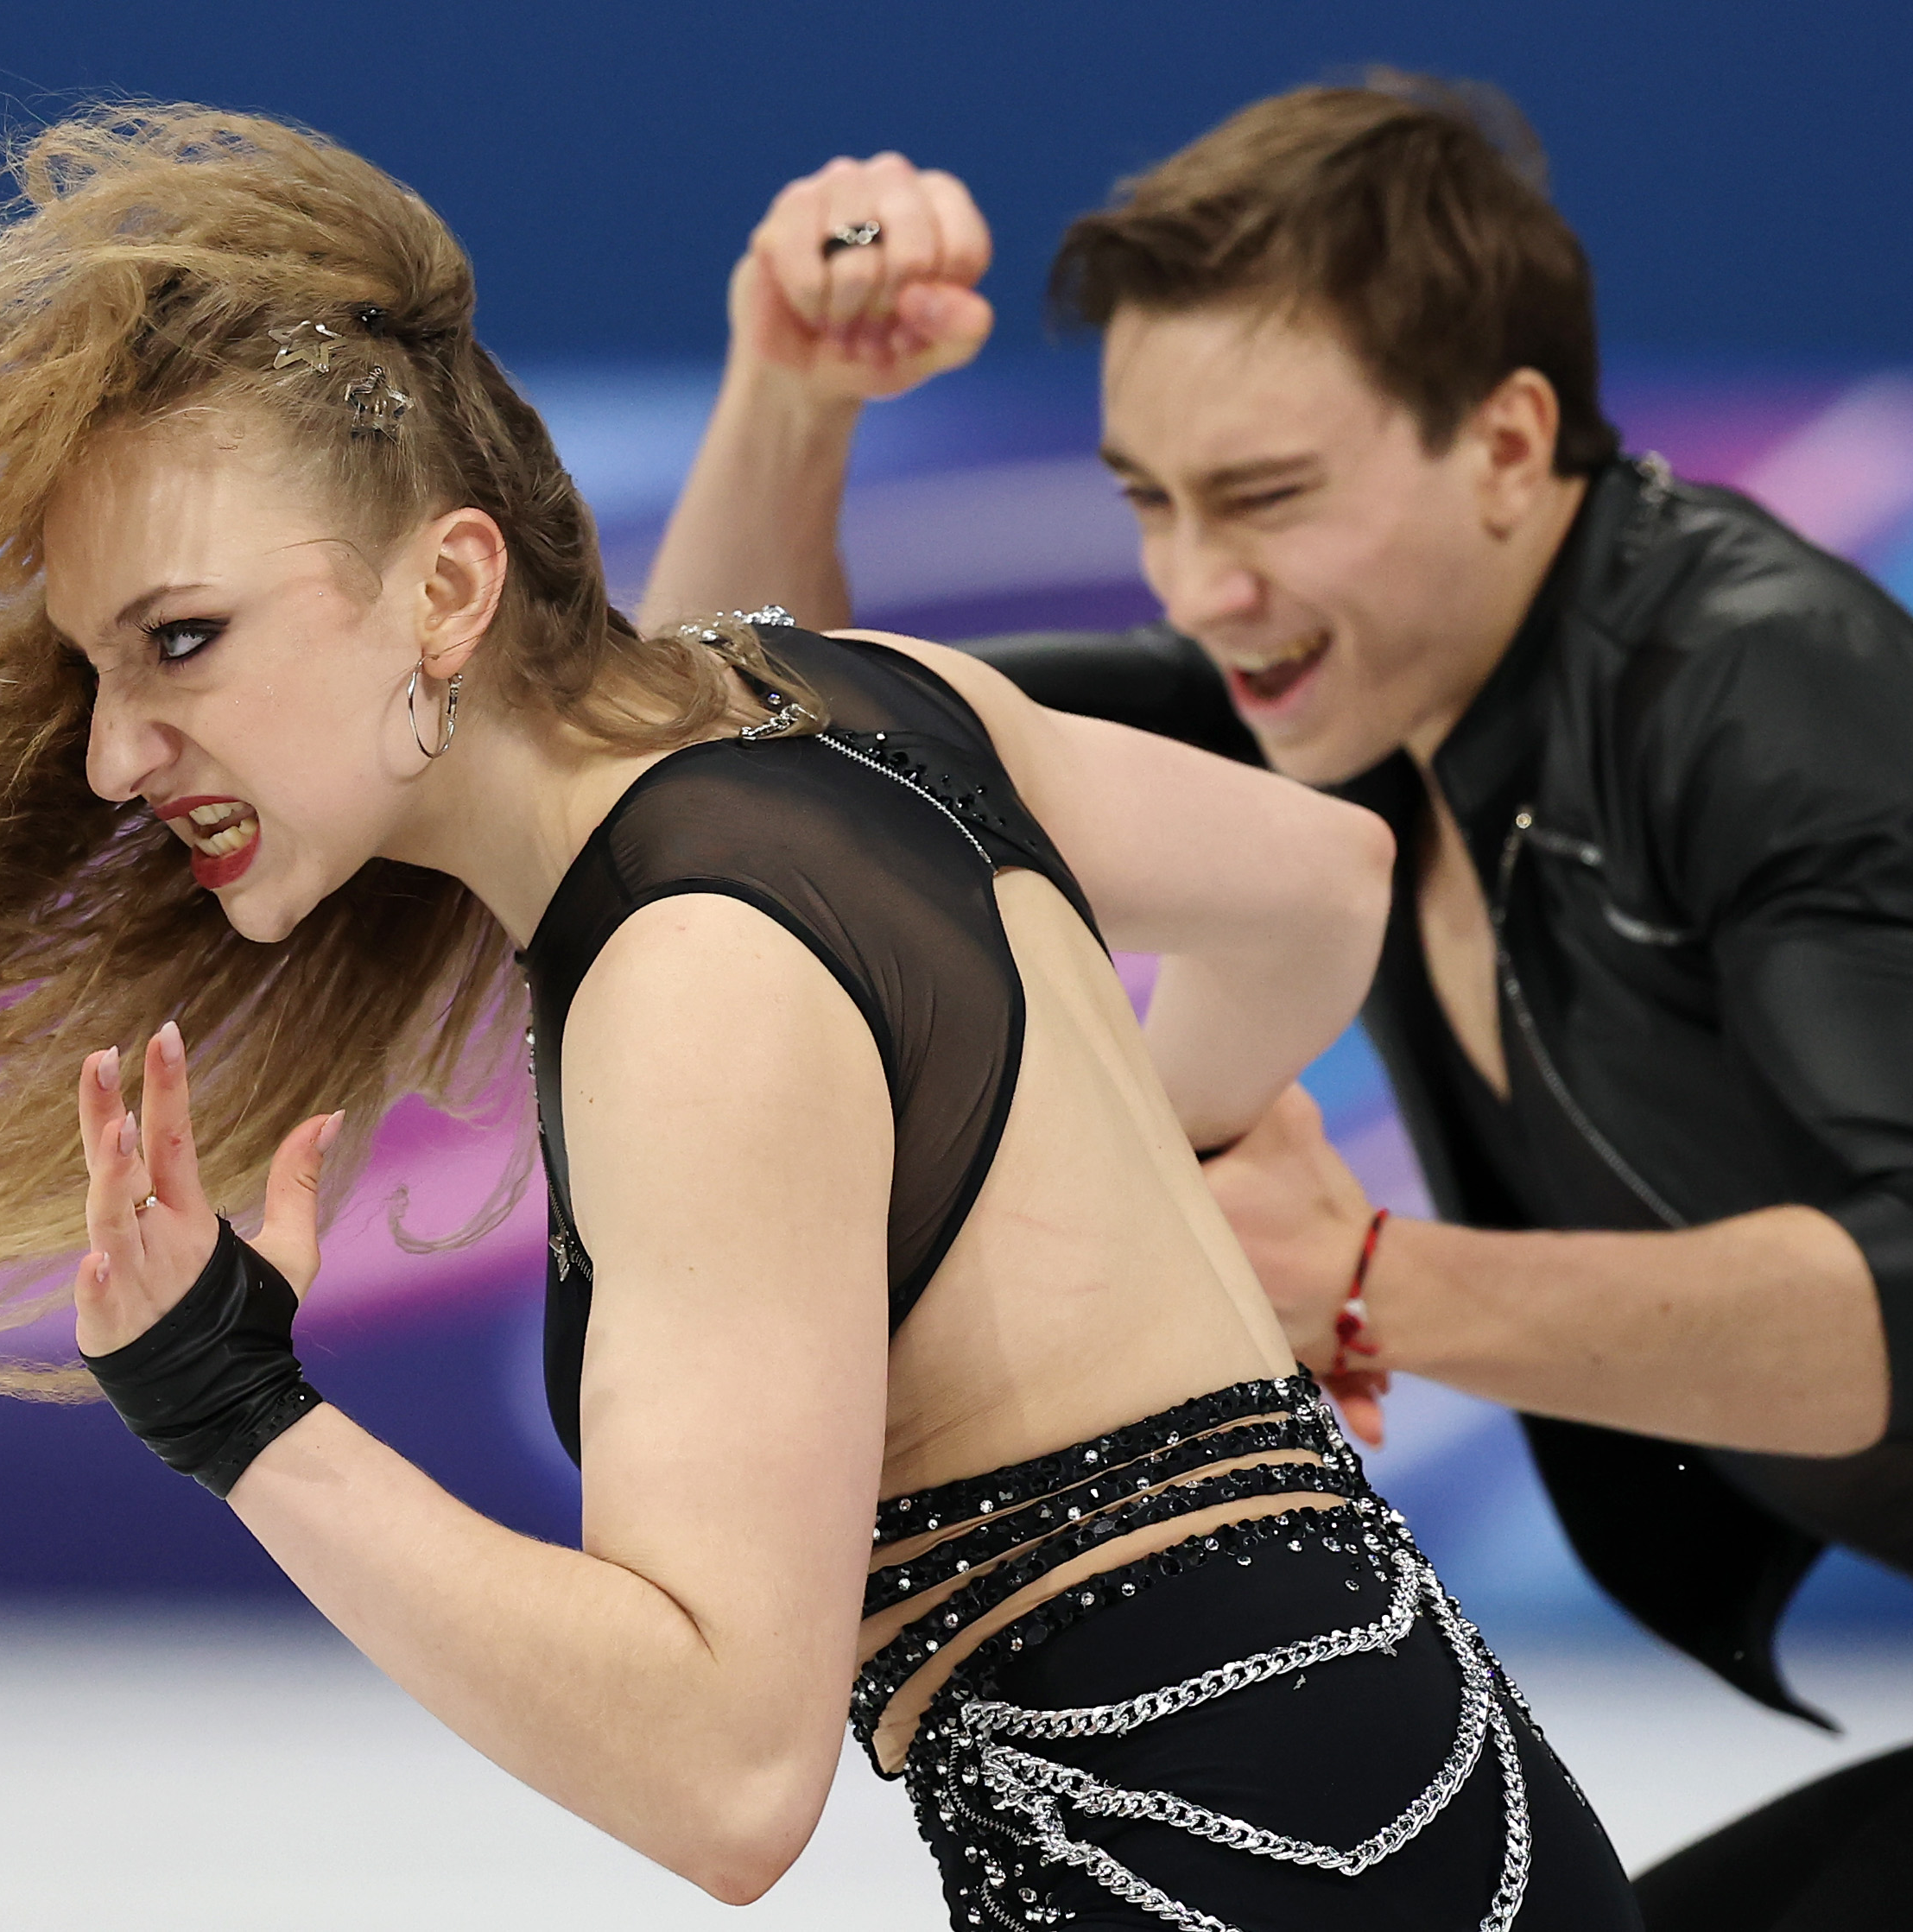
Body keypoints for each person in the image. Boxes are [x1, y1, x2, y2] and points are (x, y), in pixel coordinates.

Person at [0, 106, 1641, 1928]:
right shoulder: (852, 706)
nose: (117, 752)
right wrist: (1150, 1187)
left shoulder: (689, 982)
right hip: (1451, 1828)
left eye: (182, 641)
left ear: (448, 588)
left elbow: (724, 1774)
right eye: (103, 672)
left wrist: (241, 1416)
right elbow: (1319, 888)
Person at [647, 74, 1913, 1929]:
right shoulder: (1347, 696)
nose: (1199, 583)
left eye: (1263, 498)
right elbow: (761, 777)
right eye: (1148, 503)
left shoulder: (1759, 691)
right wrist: (790, 390)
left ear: (1505, 442)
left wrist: (1366, 1281)